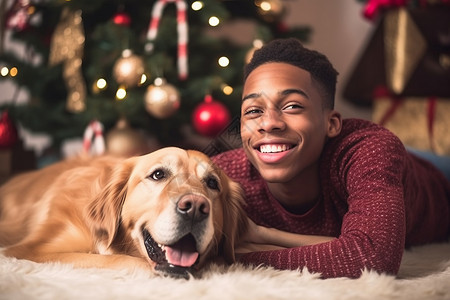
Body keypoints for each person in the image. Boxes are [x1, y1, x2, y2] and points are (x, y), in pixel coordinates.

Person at [211, 38, 450, 279]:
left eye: (292, 106)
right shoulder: (224, 176)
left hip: (438, 176)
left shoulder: (370, 151)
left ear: (332, 123)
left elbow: (371, 258)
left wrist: (247, 248)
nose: (269, 123)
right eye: (253, 111)